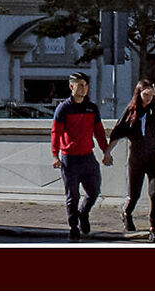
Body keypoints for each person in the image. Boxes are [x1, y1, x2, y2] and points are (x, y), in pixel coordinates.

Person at [50, 72, 114, 240]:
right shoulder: (64, 108)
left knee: (94, 191)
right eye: (79, 85)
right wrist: (55, 155)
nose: (83, 89)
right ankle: (73, 228)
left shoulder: (92, 108)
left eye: (85, 85)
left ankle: (83, 214)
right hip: (70, 158)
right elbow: (56, 132)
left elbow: (99, 132)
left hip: (88, 156)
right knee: (73, 195)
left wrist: (106, 151)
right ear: (71, 87)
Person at [116, 78, 155, 240]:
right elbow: (118, 130)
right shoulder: (131, 111)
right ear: (139, 93)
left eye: (151, 94)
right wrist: (108, 151)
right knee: (134, 194)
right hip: (136, 158)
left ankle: (153, 227)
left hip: (153, 157)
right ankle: (127, 213)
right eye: (146, 94)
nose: (149, 97)